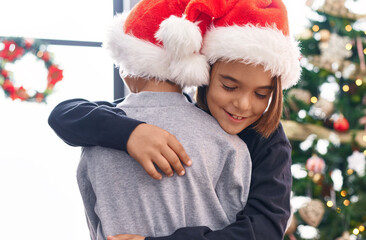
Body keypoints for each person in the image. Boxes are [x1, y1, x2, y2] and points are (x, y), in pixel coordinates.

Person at [48, 0, 301, 239]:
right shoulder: (182, 112)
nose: (243, 104)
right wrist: (131, 133)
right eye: (229, 86)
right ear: (205, 73)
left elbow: (264, 230)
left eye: (261, 94)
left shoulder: (268, 142)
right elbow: (64, 114)